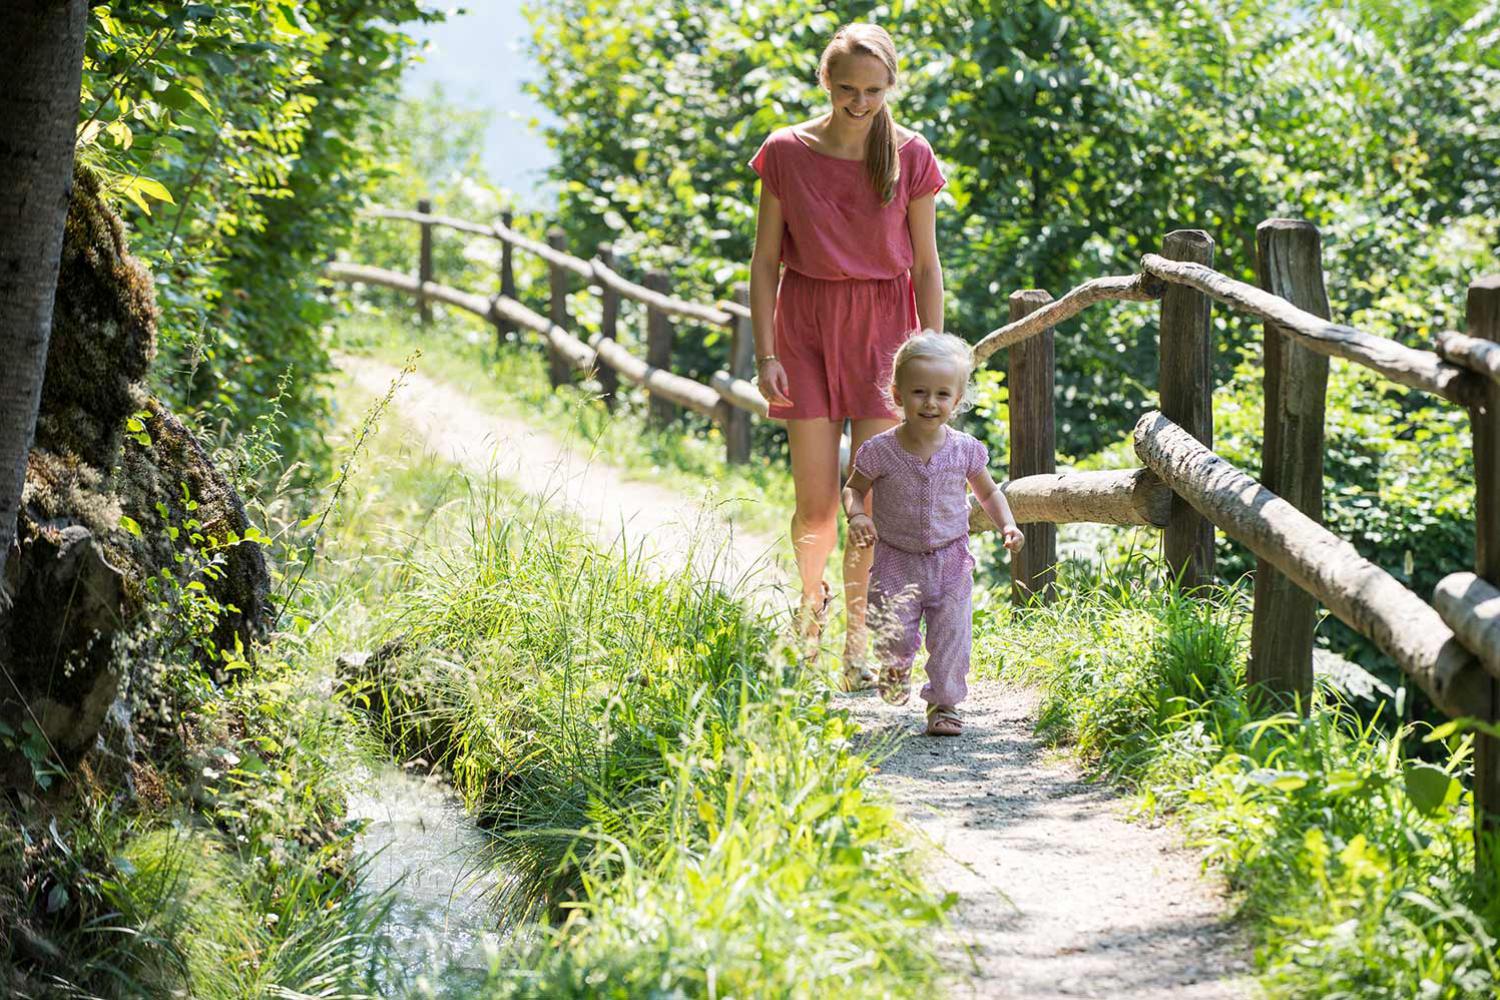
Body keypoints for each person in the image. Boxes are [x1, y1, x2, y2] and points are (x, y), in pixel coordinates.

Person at [748, 22, 946, 690]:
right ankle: (811, 611)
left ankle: (856, 646)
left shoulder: (910, 154)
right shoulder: (784, 151)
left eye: (872, 90)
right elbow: (765, 261)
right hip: (804, 324)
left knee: (869, 506)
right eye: (846, 89)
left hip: (886, 332)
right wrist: (765, 352)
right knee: (816, 507)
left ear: (890, 86)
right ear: (823, 83)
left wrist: (933, 356)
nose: (859, 103)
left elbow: (925, 264)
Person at [842, 331, 1024, 736]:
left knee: (951, 639)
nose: (931, 402)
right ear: (898, 394)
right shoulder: (879, 450)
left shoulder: (965, 450)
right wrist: (856, 516)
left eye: (942, 394)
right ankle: (894, 669)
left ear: (957, 401)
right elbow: (854, 488)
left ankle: (944, 704)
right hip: (895, 560)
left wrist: (1007, 524)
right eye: (919, 392)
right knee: (892, 633)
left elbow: (989, 492)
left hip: (951, 560)